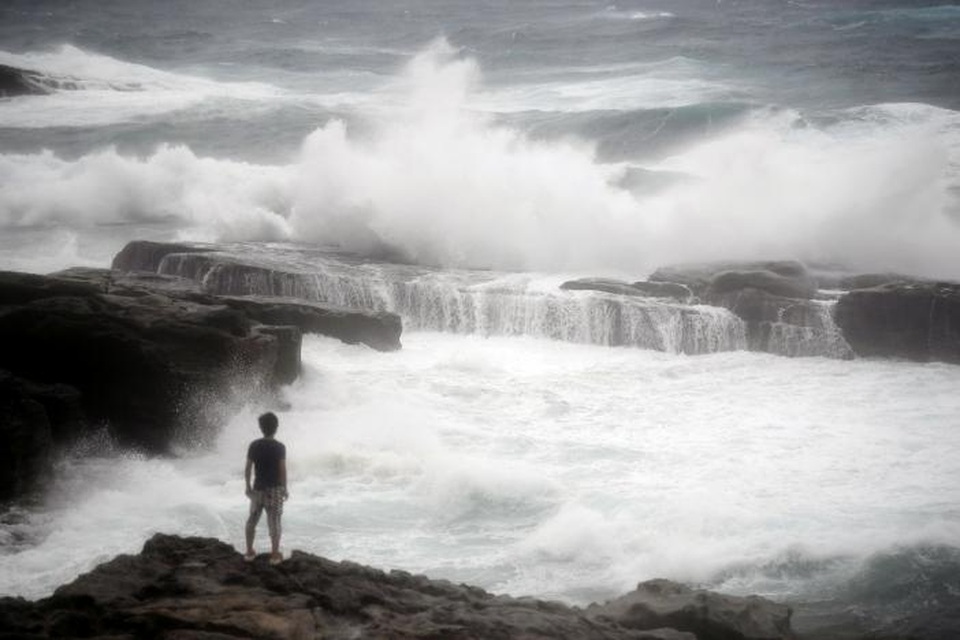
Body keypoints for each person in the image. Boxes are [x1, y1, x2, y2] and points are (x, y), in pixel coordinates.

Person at [244, 411, 288, 565]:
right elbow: (282, 469)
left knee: (252, 520)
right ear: (276, 427)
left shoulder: (254, 445)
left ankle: (249, 552)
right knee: (274, 521)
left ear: (261, 427)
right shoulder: (280, 447)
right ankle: (274, 555)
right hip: (274, 490)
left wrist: (248, 487)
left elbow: (248, 468)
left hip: (257, 489)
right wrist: (285, 488)